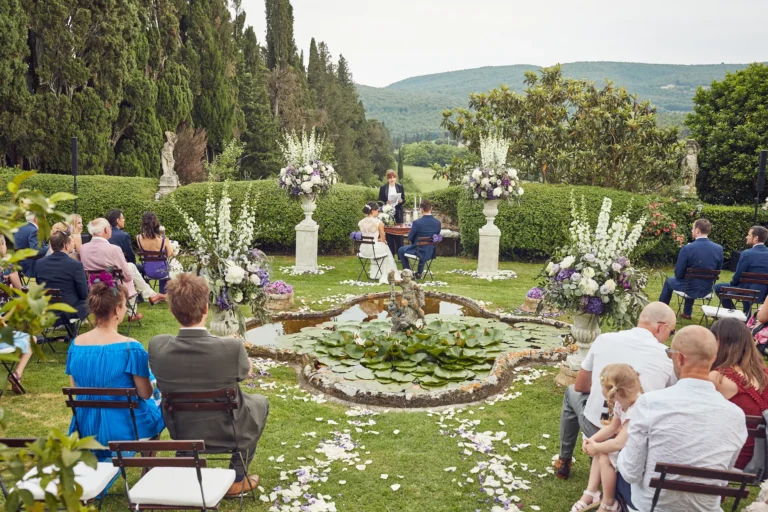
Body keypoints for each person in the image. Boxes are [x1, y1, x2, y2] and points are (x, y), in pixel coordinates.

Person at [149, 273, 269, 497]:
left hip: (182, 430)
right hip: (228, 430)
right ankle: (237, 478)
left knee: (253, 403)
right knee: (261, 403)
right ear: (206, 308)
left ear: (172, 311)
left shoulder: (158, 346)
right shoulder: (231, 349)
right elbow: (246, 372)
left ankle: (188, 460)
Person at [617, 326, 747, 512]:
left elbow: (631, 473)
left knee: (617, 466)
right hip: (705, 508)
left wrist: (618, 455)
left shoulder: (650, 403)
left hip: (651, 506)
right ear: (713, 358)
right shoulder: (736, 415)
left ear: (679, 358)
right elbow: (723, 478)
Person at [555, 302, 677, 481]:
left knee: (572, 391)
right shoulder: (668, 357)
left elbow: (581, 387)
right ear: (661, 327)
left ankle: (564, 460)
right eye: (671, 332)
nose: (669, 337)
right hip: (636, 432)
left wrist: (605, 393)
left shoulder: (604, 339)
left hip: (598, 426)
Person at [65, 280, 164, 459]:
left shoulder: (76, 344)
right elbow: (145, 393)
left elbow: (75, 386)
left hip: (84, 426)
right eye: (125, 305)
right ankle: (148, 469)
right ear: (117, 309)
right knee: (157, 409)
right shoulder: (131, 348)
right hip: (124, 427)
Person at [571, 364, 643, 512]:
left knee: (604, 456)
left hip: (636, 452)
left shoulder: (636, 410)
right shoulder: (621, 403)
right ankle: (591, 492)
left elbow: (618, 443)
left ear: (616, 393)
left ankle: (609, 503)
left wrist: (597, 447)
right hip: (627, 446)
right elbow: (612, 427)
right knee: (601, 449)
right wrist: (593, 440)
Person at [709, 318, 768, 469]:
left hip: (736, 452)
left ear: (719, 342)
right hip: (760, 449)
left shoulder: (718, 377)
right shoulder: (763, 372)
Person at [80, 218, 165, 322]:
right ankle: (142, 302)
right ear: (106, 230)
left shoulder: (83, 248)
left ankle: (148, 297)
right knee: (130, 271)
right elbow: (127, 276)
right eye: (110, 228)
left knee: (129, 267)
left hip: (94, 287)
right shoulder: (114, 249)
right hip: (114, 287)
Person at [658, 218, 723, 320]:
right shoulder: (719, 249)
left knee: (669, 281)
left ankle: (660, 311)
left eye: (692, 229)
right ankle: (686, 313)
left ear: (697, 230)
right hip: (706, 288)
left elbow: (678, 274)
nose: (692, 231)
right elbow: (718, 270)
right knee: (691, 280)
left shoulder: (687, 248)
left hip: (688, 287)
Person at [35, 231, 89, 322]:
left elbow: (38, 284)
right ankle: (71, 332)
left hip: (46, 308)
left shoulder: (39, 263)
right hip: (69, 310)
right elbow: (83, 293)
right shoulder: (75, 265)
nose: (73, 244)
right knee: (89, 302)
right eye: (71, 242)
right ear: (66, 245)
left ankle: (70, 331)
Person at [715, 225, 768, 311]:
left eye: (749, 235)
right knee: (745, 286)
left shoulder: (746, 254)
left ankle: (733, 312)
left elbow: (737, 276)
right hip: (764, 293)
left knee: (718, 287)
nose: (746, 237)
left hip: (747, 292)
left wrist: (732, 285)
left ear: (756, 238)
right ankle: (746, 315)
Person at [398, 200, 441, 279]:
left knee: (401, 250)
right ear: (431, 209)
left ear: (421, 210)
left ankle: (408, 273)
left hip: (419, 251)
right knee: (423, 249)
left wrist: (415, 242)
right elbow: (437, 236)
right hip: (431, 251)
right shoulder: (437, 223)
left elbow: (410, 237)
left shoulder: (417, 223)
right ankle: (419, 273)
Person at [358, 202, 400, 284]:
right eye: (377, 211)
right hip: (373, 250)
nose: (378, 212)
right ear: (373, 211)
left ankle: (376, 273)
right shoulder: (378, 223)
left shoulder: (360, 222)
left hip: (363, 250)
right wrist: (380, 240)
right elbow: (383, 238)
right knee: (385, 245)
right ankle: (386, 273)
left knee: (381, 245)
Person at [136, 211, 173, 293]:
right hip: (162, 273)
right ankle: (163, 292)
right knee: (169, 266)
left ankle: (148, 291)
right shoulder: (163, 239)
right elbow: (170, 254)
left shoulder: (138, 238)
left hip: (147, 271)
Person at [378, 169, 406, 256]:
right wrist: (386, 202)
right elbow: (379, 201)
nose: (392, 179)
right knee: (389, 234)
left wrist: (401, 200)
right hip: (387, 214)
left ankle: (400, 255)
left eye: (393, 177)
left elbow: (404, 199)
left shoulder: (400, 187)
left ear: (396, 178)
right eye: (390, 177)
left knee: (399, 235)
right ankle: (391, 254)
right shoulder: (383, 188)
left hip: (398, 213)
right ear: (387, 179)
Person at [14, 211, 49, 278]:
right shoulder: (34, 230)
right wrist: (50, 247)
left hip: (19, 264)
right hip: (32, 266)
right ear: (36, 219)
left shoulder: (20, 228)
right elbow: (36, 250)